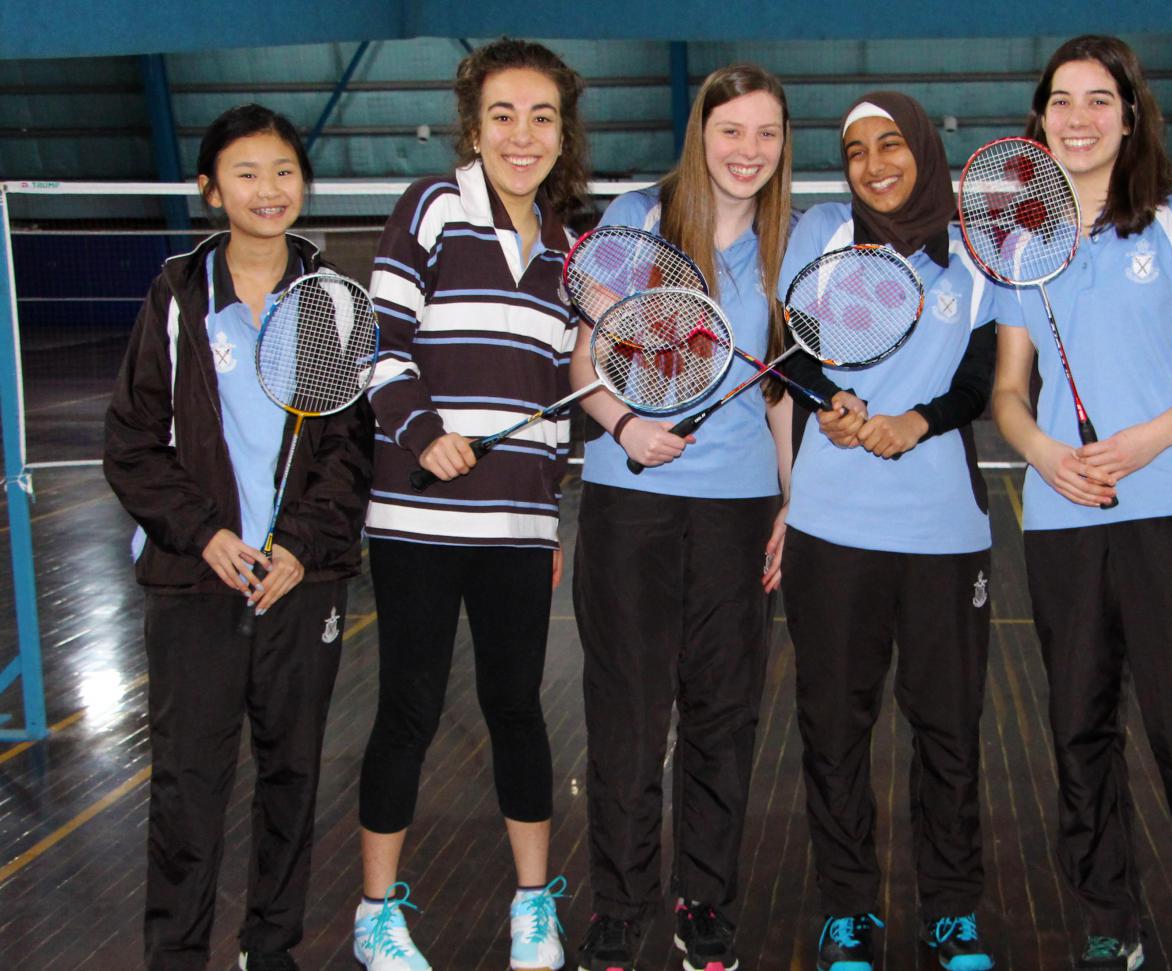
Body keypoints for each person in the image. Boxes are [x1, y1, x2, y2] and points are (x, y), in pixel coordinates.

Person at [989, 35, 1172, 971]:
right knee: (1079, 725)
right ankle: (1110, 915)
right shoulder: (1021, 238)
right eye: (1062, 100)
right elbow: (1007, 392)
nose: (1078, 117)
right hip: (1064, 513)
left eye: (1099, 99)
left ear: (1130, 114)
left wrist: (1151, 437)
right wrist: (1043, 453)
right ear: (1041, 118)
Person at [104, 103, 372, 971]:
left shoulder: (329, 301)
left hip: (302, 579)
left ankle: (271, 945)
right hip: (198, 581)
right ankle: (176, 953)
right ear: (210, 188)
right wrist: (207, 535)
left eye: (285, 171)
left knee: (292, 776)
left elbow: (347, 447)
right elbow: (132, 443)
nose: (269, 189)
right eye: (247, 173)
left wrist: (299, 544)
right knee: (189, 783)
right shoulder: (179, 296)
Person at [351, 37, 588, 971]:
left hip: (518, 529)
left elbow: (554, 399)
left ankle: (535, 903)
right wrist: (422, 430)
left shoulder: (570, 247)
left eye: (541, 117)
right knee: (407, 708)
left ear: (564, 132)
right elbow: (379, 341)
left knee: (518, 707)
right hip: (418, 521)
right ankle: (376, 913)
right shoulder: (432, 208)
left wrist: (548, 511)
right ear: (474, 124)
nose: (522, 135)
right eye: (503, 115)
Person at [568, 63, 794, 971]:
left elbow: (780, 393)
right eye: (731, 129)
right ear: (701, 133)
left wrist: (792, 499)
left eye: (767, 134)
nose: (748, 150)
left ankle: (703, 899)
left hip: (740, 506)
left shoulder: (786, 245)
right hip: (634, 498)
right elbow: (589, 344)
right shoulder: (638, 218)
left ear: (783, 145)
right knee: (627, 710)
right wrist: (627, 422)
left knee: (724, 713)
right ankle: (620, 906)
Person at [779, 91, 1000, 971]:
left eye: (892, 144)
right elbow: (791, 352)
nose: (875, 162)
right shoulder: (825, 235)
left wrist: (921, 420)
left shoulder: (977, 252)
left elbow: (987, 376)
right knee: (834, 727)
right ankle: (847, 911)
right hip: (832, 529)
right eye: (858, 149)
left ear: (925, 149)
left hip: (946, 534)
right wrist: (828, 404)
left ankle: (951, 913)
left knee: (948, 729)